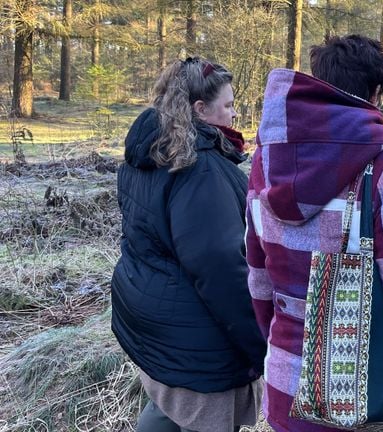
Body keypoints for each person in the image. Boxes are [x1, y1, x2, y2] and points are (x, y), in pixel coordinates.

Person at [245, 35, 383, 431]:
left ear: (319, 82)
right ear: (376, 94)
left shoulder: (265, 164)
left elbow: (258, 279)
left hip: (285, 390)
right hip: (370, 400)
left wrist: (282, 340)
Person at [111, 57, 267, 432]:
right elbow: (221, 270)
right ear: (200, 109)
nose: (234, 114)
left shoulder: (153, 149)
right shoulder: (201, 170)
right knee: (193, 411)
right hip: (197, 339)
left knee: (165, 405)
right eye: (227, 106)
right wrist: (261, 344)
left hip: (154, 321)